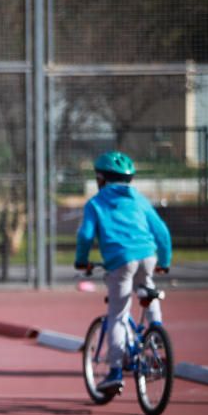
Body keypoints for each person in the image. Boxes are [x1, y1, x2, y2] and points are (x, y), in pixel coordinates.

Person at [74, 150, 172, 392]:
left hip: (120, 259)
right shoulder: (139, 200)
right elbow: (161, 232)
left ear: (101, 179)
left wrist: (81, 260)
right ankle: (156, 335)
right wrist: (164, 260)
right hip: (148, 255)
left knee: (117, 314)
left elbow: (85, 235)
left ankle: (115, 371)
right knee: (147, 290)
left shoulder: (96, 203)